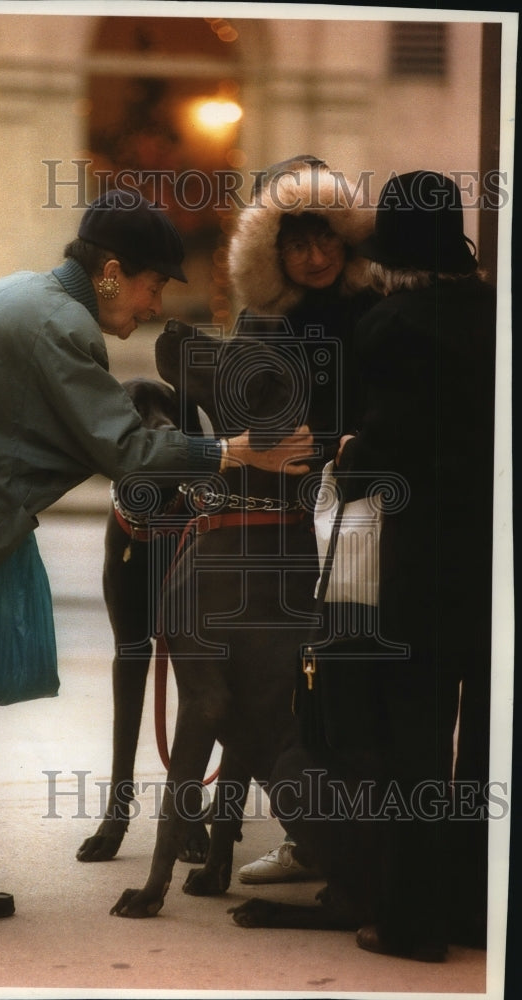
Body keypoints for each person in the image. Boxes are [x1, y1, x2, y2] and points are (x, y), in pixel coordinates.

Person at [0, 189, 315, 926]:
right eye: (148, 285)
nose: (149, 305)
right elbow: (131, 453)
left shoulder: (26, 294)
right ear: (110, 272)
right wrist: (235, 451)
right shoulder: (60, 325)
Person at [265, 170, 496, 960]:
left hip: (421, 570)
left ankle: (411, 922)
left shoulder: (392, 326)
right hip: (494, 570)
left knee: (417, 743)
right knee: (485, 749)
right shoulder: (496, 314)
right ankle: (473, 907)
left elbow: (386, 456)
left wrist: (351, 454)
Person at [225, 155, 379, 885]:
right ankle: (309, 835)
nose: (315, 256)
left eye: (326, 239)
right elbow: (249, 423)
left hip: (368, 516)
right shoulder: (262, 321)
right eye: (297, 243)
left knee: (357, 681)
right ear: (271, 252)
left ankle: (355, 841)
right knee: (291, 685)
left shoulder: (377, 308)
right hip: (289, 521)